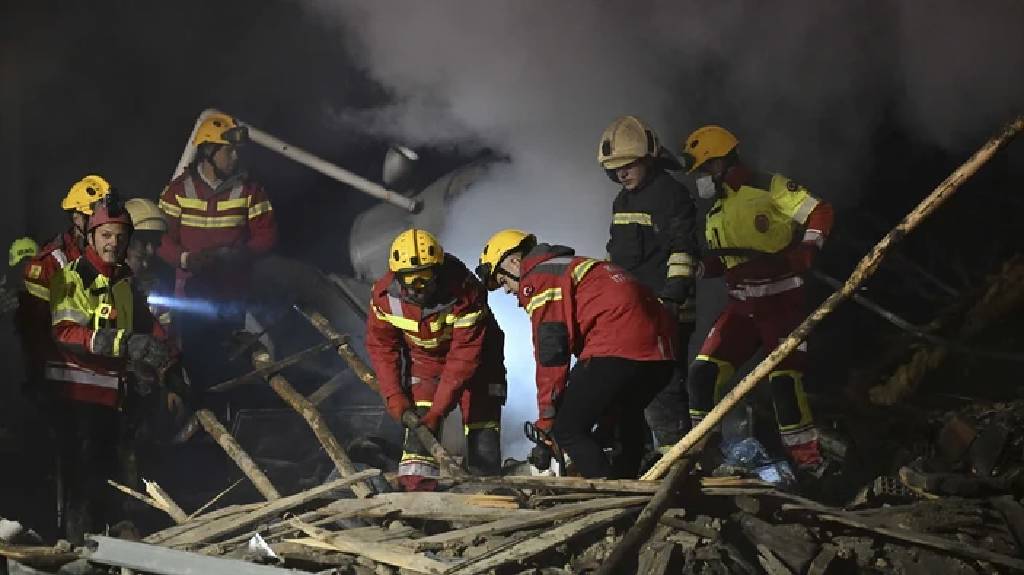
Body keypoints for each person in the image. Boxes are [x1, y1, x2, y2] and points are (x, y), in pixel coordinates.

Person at [680, 125, 834, 471]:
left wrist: (807, 249)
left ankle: (810, 465)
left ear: (720, 162)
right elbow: (728, 259)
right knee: (702, 375)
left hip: (783, 304)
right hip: (741, 308)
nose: (700, 178)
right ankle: (701, 457)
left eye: (703, 169)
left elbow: (819, 211)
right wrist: (702, 268)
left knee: (783, 382)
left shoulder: (768, 186)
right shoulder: (716, 211)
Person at [477, 229, 676, 478]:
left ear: (514, 262)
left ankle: (610, 500)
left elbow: (551, 353)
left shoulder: (539, 278)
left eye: (504, 281)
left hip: (617, 348)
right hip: (661, 354)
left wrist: (547, 421)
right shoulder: (574, 266)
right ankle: (628, 486)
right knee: (623, 419)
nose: (507, 291)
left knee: (569, 430)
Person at [48, 192, 178, 542]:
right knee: (84, 485)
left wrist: (165, 360)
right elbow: (66, 332)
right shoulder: (71, 278)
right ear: (91, 237)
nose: (114, 244)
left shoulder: (124, 283)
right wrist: (124, 344)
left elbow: (146, 325)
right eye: (107, 236)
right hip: (77, 398)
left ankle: (112, 547)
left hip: (113, 398)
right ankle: (79, 551)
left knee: (115, 477)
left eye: (120, 237)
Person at [365, 229, 506, 490]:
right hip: (426, 362)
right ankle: (416, 494)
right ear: (397, 276)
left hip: (481, 361)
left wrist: (439, 410)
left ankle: (486, 492)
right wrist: (394, 395)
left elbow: (463, 358)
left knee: (481, 429)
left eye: (425, 277)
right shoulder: (383, 298)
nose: (419, 289)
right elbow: (382, 347)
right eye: (411, 280)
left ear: (439, 271)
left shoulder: (465, 291)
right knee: (420, 429)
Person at [598, 115, 700, 450]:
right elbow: (619, 256)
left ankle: (676, 462)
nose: (621, 174)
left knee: (663, 387)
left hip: (666, 310)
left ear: (648, 159)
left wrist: (671, 299)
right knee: (629, 387)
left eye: (628, 165)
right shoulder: (623, 201)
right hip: (634, 311)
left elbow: (682, 250)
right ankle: (640, 459)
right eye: (615, 169)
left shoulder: (670, 195)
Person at [156, 113, 277, 394]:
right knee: (193, 365)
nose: (235, 157)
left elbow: (267, 235)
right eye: (229, 150)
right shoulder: (176, 192)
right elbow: (161, 240)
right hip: (189, 298)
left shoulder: (250, 190)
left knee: (230, 369)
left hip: (232, 298)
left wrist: (241, 255)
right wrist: (187, 259)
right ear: (208, 152)